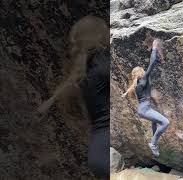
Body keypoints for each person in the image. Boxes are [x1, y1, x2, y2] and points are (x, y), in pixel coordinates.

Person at [37, 15, 109, 178]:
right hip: (107, 148)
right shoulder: (102, 64)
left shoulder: (83, 69)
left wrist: (48, 102)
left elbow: (68, 83)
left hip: (97, 149)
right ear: (99, 36)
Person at [122, 39, 169, 157]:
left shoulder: (137, 84)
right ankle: (153, 143)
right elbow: (152, 63)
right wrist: (154, 48)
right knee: (165, 122)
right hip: (145, 110)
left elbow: (130, 89)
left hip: (143, 110)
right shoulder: (143, 79)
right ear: (140, 72)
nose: (144, 70)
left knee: (155, 121)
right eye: (142, 70)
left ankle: (154, 142)